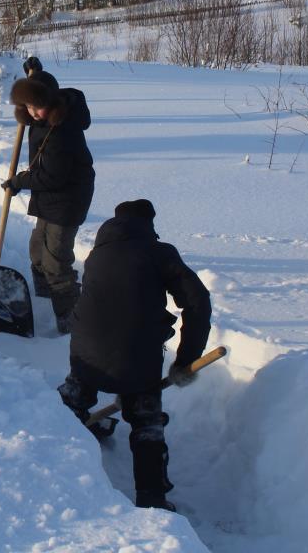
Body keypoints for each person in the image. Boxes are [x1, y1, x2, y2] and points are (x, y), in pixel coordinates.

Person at [57, 198, 212, 513]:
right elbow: (197, 302)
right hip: (138, 358)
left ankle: (52, 458)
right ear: (149, 226)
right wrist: (186, 359)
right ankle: (152, 499)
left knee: (72, 401)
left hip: (85, 351)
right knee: (146, 423)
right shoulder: (159, 253)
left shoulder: (96, 255)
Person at [2, 75, 95, 332]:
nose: (32, 113)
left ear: (51, 101)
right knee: (37, 249)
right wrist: (35, 72)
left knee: (56, 261)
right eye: (27, 107)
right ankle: (44, 297)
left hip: (67, 199)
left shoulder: (62, 131)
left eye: (37, 106)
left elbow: (52, 175)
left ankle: (72, 319)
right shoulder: (45, 116)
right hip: (50, 197)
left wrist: (19, 181)